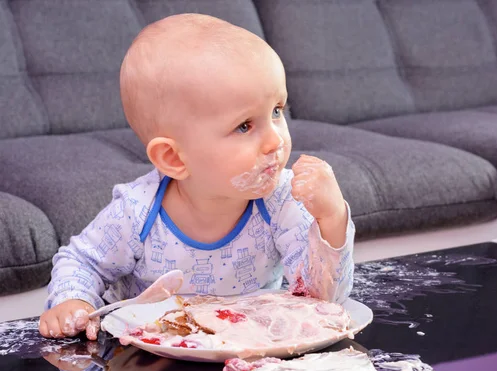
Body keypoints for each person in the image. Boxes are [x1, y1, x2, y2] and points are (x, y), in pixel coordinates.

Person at [39, 14, 355, 341]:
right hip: (148, 368)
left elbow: (322, 302)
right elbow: (81, 263)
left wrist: (331, 218)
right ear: (174, 158)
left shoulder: (280, 201)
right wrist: (71, 301)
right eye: (244, 125)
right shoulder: (137, 212)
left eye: (277, 111)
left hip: (249, 359)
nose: (276, 140)